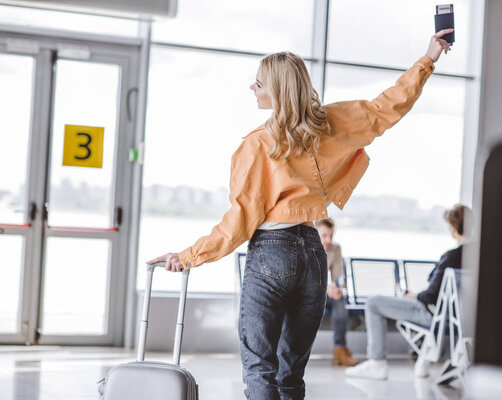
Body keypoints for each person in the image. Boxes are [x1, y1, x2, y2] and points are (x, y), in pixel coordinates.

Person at [148, 28, 454, 400]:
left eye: (258, 84)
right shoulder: (332, 123)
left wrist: (187, 256)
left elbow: (240, 221)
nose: (252, 89)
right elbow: (386, 107)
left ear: (276, 91)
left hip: (272, 252)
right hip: (313, 253)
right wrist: (428, 59)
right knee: (291, 374)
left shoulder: (258, 144)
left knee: (261, 367)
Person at [344, 204, 472, 380]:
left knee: (373, 303)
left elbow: (431, 295)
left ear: (452, 228)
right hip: (467, 320)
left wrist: (415, 296)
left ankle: (377, 362)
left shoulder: (452, 257)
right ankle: (422, 362)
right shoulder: (483, 257)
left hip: (436, 316)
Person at [315, 218, 359, 366]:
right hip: (307, 292)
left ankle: (339, 350)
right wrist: (325, 288)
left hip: (325, 293)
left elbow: (338, 275)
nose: (328, 240)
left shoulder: (335, 249)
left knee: (340, 299)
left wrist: (336, 288)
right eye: (324, 235)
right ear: (315, 233)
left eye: (331, 236)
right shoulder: (307, 246)